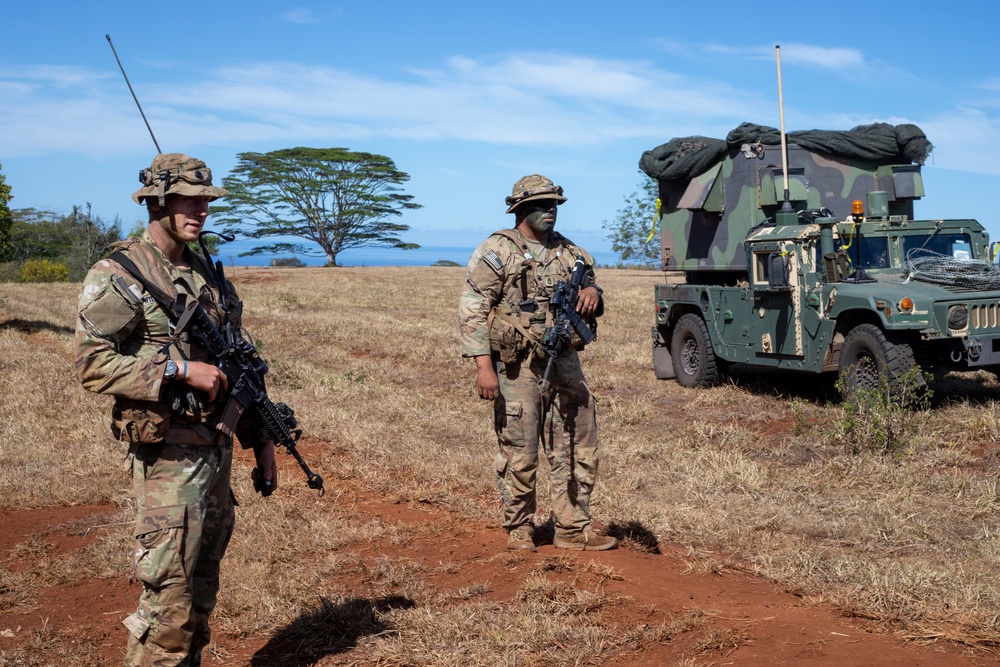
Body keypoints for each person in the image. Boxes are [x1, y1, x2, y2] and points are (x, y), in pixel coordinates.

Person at [75, 153, 278, 667]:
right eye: (190, 199)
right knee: (169, 602)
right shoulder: (121, 274)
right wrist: (179, 371)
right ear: (158, 201)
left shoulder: (208, 275)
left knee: (199, 594)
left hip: (215, 454)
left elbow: (241, 367)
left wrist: (263, 443)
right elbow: (92, 364)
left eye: (206, 200)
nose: (201, 209)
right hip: (168, 461)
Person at [458, 174, 617, 552]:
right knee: (520, 447)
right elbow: (473, 310)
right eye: (541, 206)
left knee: (577, 443)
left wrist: (592, 291)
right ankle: (520, 528)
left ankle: (572, 529)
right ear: (521, 210)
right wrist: (483, 367)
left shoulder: (571, 253)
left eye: (554, 206)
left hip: (565, 360)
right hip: (518, 366)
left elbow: (591, 284)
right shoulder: (497, 251)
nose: (550, 212)